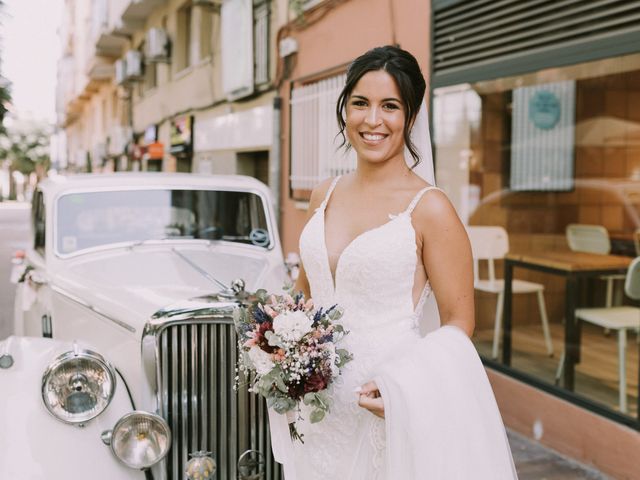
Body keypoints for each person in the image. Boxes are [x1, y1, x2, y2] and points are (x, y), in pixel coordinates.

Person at [269, 45, 517, 479]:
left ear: (411, 116)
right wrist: (274, 343)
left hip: (383, 403)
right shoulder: (322, 194)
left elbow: (460, 323)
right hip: (316, 407)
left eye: (390, 106)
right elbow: (305, 295)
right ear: (345, 109)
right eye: (360, 103)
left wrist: (407, 390)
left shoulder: (430, 208)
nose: (372, 120)